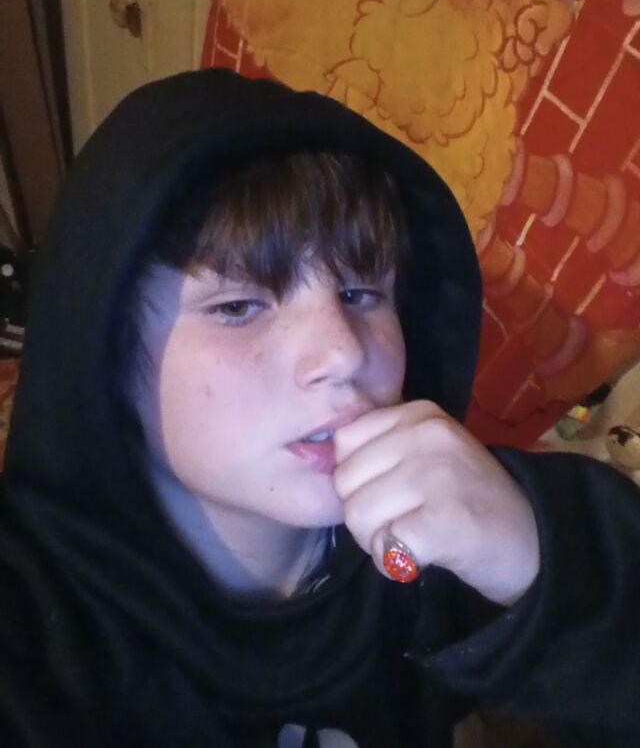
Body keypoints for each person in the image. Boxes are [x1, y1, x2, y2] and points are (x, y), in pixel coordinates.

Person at [0, 69, 639, 748]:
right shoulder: (33, 621)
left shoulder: (455, 524)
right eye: (238, 306)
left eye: (362, 294)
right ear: (103, 344)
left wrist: (542, 569)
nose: (343, 351)